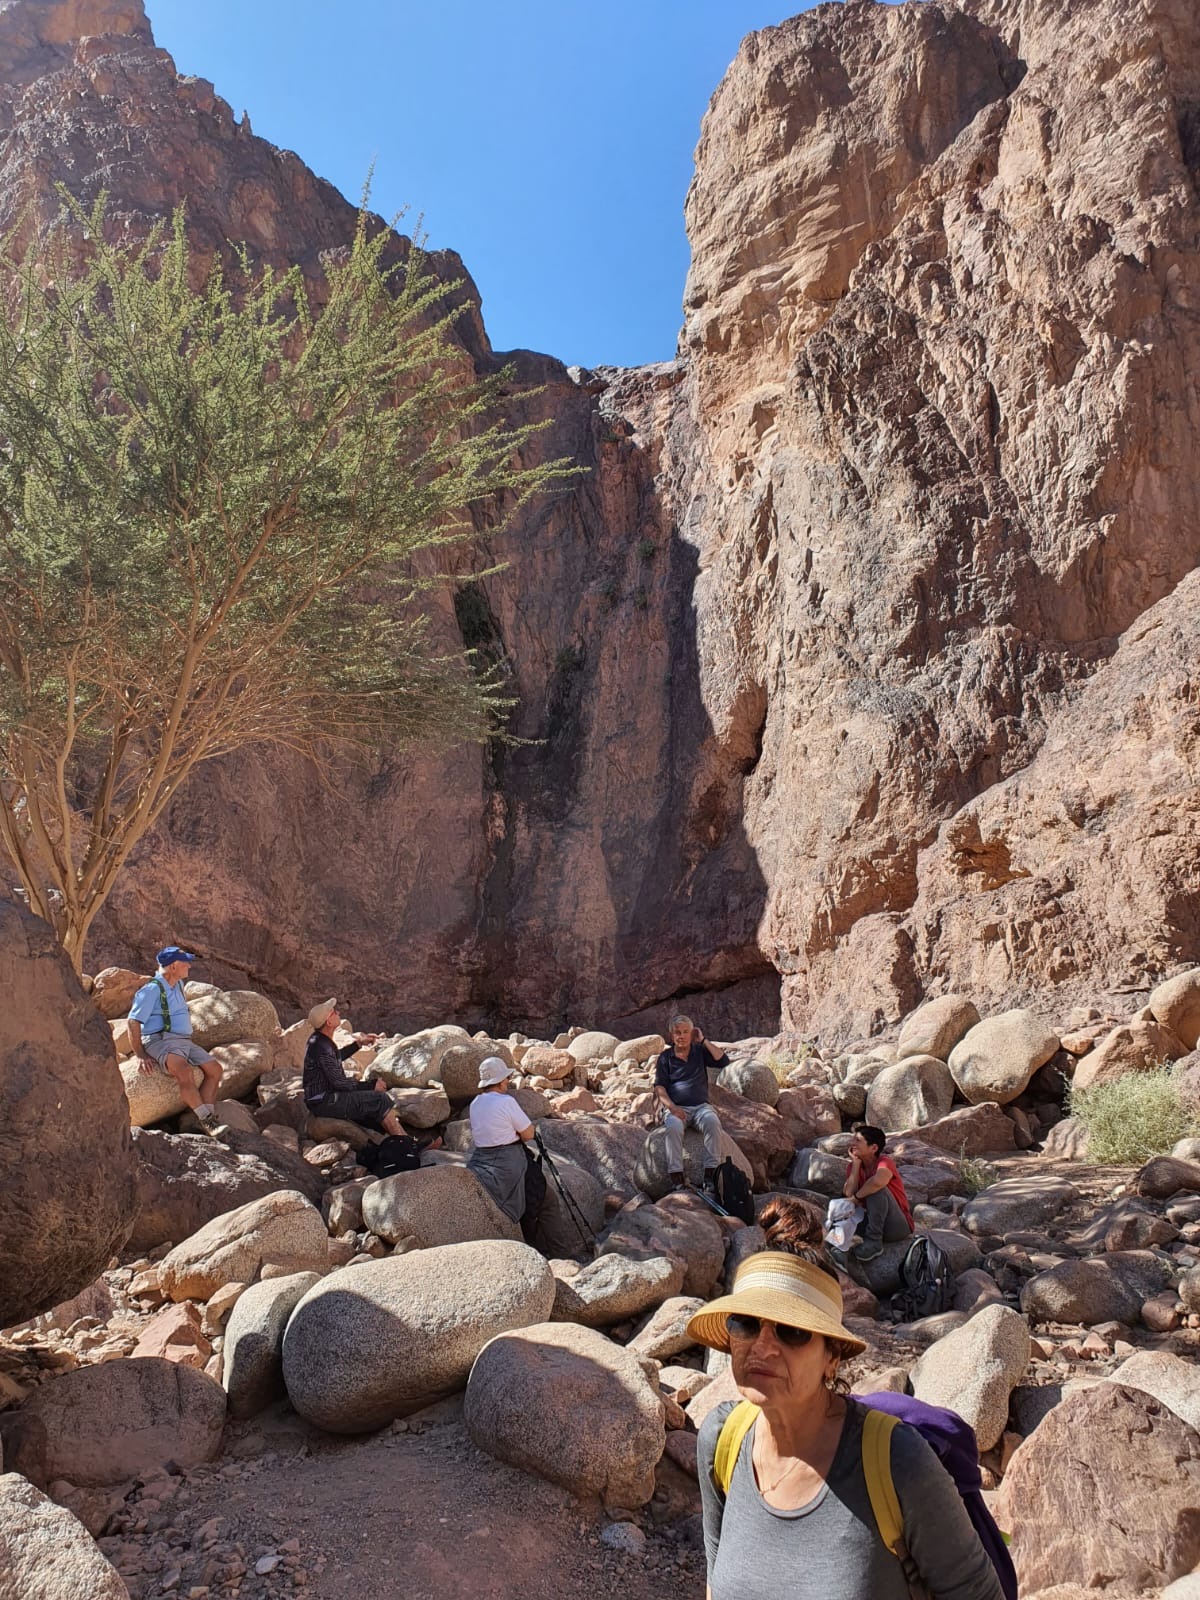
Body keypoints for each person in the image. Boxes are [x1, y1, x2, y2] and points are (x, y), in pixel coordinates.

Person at [691, 1197, 1005, 1600]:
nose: (762, 1347)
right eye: (746, 1324)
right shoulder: (721, 1442)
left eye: (792, 1331)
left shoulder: (897, 1461)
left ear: (832, 1358)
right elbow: (716, 1585)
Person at [127, 946, 224, 1137]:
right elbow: (132, 1022)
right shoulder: (151, 990)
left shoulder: (178, 984)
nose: (189, 965)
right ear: (173, 966)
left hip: (183, 1040)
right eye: (185, 962)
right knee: (184, 1071)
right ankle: (208, 1122)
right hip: (160, 1040)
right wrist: (140, 1053)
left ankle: (207, 1119)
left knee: (215, 1069)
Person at [302, 998, 407, 1137]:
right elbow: (339, 1082)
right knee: (379, 1100)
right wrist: (371, 1085)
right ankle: (408, 1146)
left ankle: (402, 1140)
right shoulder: (322, 1046)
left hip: (323, 1098)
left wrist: (358, 1044)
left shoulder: (319, 1039)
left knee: (373, 1107)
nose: (338, 1012)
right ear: (328, 1022)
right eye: (334, 1012)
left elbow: (334, 1058)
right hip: (325, 1102)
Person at [653, 1013, 728, 1191]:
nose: (681, 1036)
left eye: (686, 1032)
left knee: (712, 1122)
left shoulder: (699, 1051)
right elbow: (660, 1088)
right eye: (677, 1032)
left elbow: (723, 1060)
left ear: (691, 1033)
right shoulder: (665, 1057)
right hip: (677, 1108)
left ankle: (711, 1175)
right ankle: (677, 1177)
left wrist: (703, 1041)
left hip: (701, 1107)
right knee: (673, 1127)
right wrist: (672, 1107)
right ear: (672, 1035)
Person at [467, 1056, 541, 1236]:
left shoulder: (475, 1103)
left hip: (481, 1158)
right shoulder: (506, 1101)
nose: (508, 1081)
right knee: (545, 1198)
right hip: (509, 1160)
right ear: (499, 1082)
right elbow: (529, 1134)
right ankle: (553, 1247)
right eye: (506, 1078)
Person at [842, 1123, 914, 1262]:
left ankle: (874, 1242)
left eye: (858, 1140)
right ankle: (841, 1251)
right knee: (839, 1203)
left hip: (896, 1226)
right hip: (871, 1221)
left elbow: (878, 1182)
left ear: (874, 1148)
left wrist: (857, 1197)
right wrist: (856, 1165)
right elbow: (848, 1193)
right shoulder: (854, 1166)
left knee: (876, 1190)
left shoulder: (885, 1162)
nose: (852, 1143)